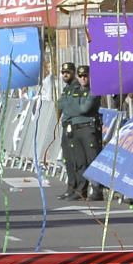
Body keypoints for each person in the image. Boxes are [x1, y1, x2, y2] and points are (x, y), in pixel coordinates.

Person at [57, 65, 102, 201]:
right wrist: (73, 106)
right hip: (76, 128)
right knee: (79, 161)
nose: (83, 78)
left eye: (86, 76)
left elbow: (84, 108)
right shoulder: (75, 90)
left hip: (88, 128)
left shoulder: (94, 90)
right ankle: (79, 190)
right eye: (81, 76)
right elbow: (61, 104)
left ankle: (97, 190)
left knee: (92, 160)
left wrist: (71, 106)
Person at [55, 62, 79, 199]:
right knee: (67, 159)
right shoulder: (67, 88)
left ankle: (77, 189)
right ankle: (70, 187)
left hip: (73, 125)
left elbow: (69, 106)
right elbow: (61, 104)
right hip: (66, 125)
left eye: (67, 72)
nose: (64, 75)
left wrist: (62, 104)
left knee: (75, 159)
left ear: (73, 72)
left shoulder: (76, 87)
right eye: (63, 72)